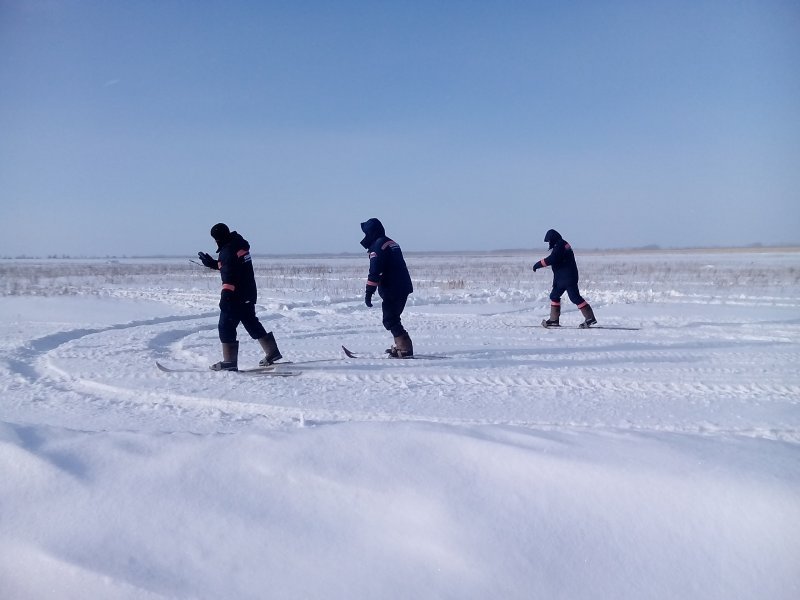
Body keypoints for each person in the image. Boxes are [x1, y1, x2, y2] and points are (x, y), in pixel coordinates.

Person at [197, 223, 283, 370]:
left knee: (225, 326)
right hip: (248, 293)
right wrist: (213, 263)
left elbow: (229, 275)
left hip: (235, 295)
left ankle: (229, 362)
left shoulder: (227, 251)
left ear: (217, 239)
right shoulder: (238, 244)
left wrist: (225, 297)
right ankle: (272, 352)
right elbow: (232, 266)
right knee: (250, 322)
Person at [359, 218, 414, 357]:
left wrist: (369, 292)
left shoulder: (378, 246)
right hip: (402, 286)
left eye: (366, 233)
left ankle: (405, 348)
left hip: (393, 288)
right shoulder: (391, 243)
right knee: (393, 318)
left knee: (390, 319)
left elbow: (375, 271)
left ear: (371, 232)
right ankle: (401, 346)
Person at [532, 228, 597, 328]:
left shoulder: (560, 245)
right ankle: (554, 320)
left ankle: (590, 318)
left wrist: (538, 264)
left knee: (574, 297)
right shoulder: (560, 244)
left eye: (549, 240)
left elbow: (553, 259)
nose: (549, 243)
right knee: (554, 296)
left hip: (568, 277)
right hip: (562, 278)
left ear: (553, 238)